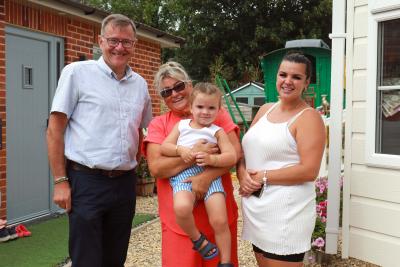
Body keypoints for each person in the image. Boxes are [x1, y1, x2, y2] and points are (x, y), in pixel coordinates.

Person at [46, 14, 152, 267]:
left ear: (134, 45)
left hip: (124, 184)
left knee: (115, 258)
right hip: (87, 181)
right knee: (87, 259)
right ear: (100, 41)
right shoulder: (76, 73)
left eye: (127, 42)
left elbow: (142, 129)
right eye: (113, 40)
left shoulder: (140, 84)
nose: (119, 47)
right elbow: (54, 130)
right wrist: (61, 181)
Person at [144, 62, 241, 267]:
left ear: (190, 85)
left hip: (217, 213)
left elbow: (235, 153)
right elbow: (157, 168)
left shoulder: (215, 115)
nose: (175, 94)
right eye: (166, 91)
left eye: (179, 86)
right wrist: (195, 153)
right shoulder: (160, 124)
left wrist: (205, 177)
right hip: (179, 223)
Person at [237, 52, 326, 267]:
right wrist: (241, 174)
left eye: (296, 77)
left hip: (286, 213)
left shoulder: (309, 118)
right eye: (283, 74)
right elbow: (244, 151)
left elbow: (309, 170)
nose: (287, 81)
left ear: (306, 82)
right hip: (257, 210)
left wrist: (262, 177)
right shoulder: (266, 109)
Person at [160, 82, 237, 265]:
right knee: (181, 208)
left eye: (211, 108)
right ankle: (198, 239)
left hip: (210, 175)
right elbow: (165, 146)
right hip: (183, 175)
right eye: (200, 107)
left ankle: (225, 262)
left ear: (219, 110)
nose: (205, 112)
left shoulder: (217, 131)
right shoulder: (182, 126)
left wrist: (213, 160)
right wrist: (181, 150)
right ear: (191, 108)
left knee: (220, 219)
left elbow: (231, 156)